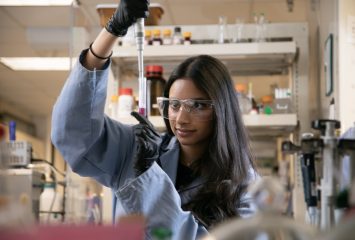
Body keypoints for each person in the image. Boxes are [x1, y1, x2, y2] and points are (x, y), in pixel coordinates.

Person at [51, 0, 259, 238]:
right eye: (174, 105)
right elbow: (72, 132)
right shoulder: (139, 148)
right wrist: (109, 34)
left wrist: (147, 175)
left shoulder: (247, 187)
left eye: (198, 106)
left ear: (223, 111)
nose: (181, 119)